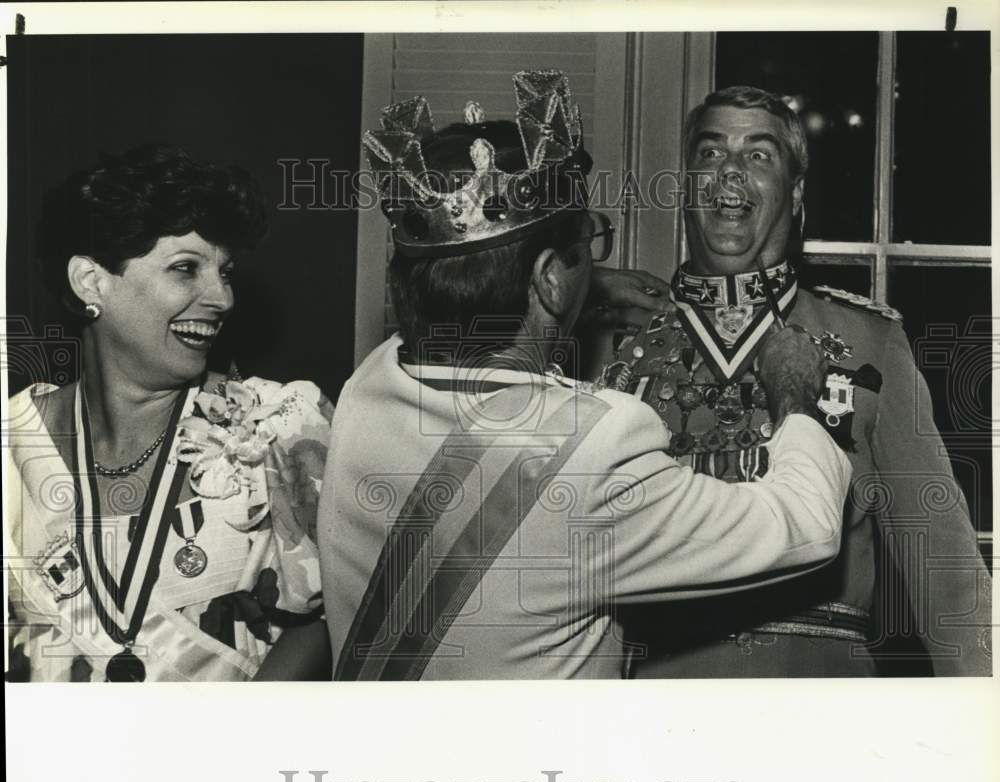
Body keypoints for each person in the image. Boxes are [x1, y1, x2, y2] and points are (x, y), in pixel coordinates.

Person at [317, 71, 852, 681]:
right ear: (548, 278)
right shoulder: (594, 444)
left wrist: (570, 289)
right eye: (587, 246)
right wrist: (797, 399)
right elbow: (805, 525)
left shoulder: (363, 393)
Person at [592, 86, 991, 677]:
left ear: (796, 193)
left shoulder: (869, 343)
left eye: (758, 155)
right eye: (709, 153)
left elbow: (948, 578)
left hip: (822, 716)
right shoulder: (618, 349)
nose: (729, 171)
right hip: (661, 720)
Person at [6, 146, 332, 681]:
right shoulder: (14, 441)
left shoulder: (278, 425)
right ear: (91, 282)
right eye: (186, 269)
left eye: (225, 273)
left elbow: (324, 621)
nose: (222, 298)